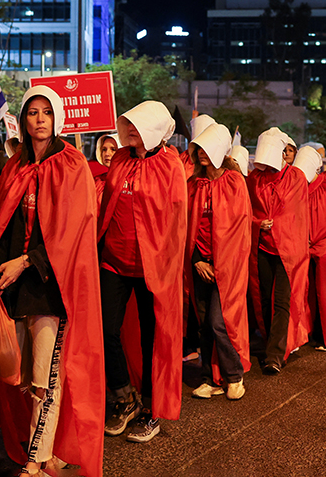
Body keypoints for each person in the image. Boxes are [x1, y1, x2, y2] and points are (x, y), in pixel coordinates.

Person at [0, 86, 104, 476]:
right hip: (15, 287)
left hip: (51, 287)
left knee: (44, 379)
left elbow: (72, 232)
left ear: (57, 119)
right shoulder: (14, 167)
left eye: (45, 113)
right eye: (32, 112)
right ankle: (43, 449)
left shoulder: (72, 165)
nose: (38, 119)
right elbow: (2, 223)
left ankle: (35, 462)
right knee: (15, 376)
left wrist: (25, 262)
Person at [98, 101, 187, 443]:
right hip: (114, 262)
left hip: (154, 267)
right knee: (105, 331)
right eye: (127, 124)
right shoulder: (120, 159)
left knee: (154, 340)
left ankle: (152, 410)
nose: (129, 129)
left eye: (137, 125)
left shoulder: (170, 166)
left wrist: (169, 267)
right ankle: (124, 397)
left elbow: (176, 222)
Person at [185, 123, 251, 401]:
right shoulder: (193, 184)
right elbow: (185, 227)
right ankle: (208, 378)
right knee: (204, 323)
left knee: (218, 321)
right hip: (200, 265)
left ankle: (234, 375)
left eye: (205, 147)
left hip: (228, 265)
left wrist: (221, 264)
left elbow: (239, 228)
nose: (201, 152)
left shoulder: (234, 182)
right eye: (197, 147)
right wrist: (198, 260)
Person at [246, 128, 309, 373]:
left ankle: (275, 354)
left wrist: (279, 226)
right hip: (262, 246)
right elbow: (247, 210)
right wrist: (256, 224)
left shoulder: (296, 178)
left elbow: (297, 215)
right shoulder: (255, 178)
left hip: (288, 249)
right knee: (263, 297)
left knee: (282, 301)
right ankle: (270, 342)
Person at [296, 145, 326, 350]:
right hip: (307, 246)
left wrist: (312, 239)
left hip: (325, 247)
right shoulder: (300, 188)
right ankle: (310, 331)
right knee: (308, 293)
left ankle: (325, 335)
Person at [92, 133, 121, 206]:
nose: (107, 154)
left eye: (113, 149)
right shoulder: (97, 181)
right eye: (104, 149)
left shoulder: (133, 180)